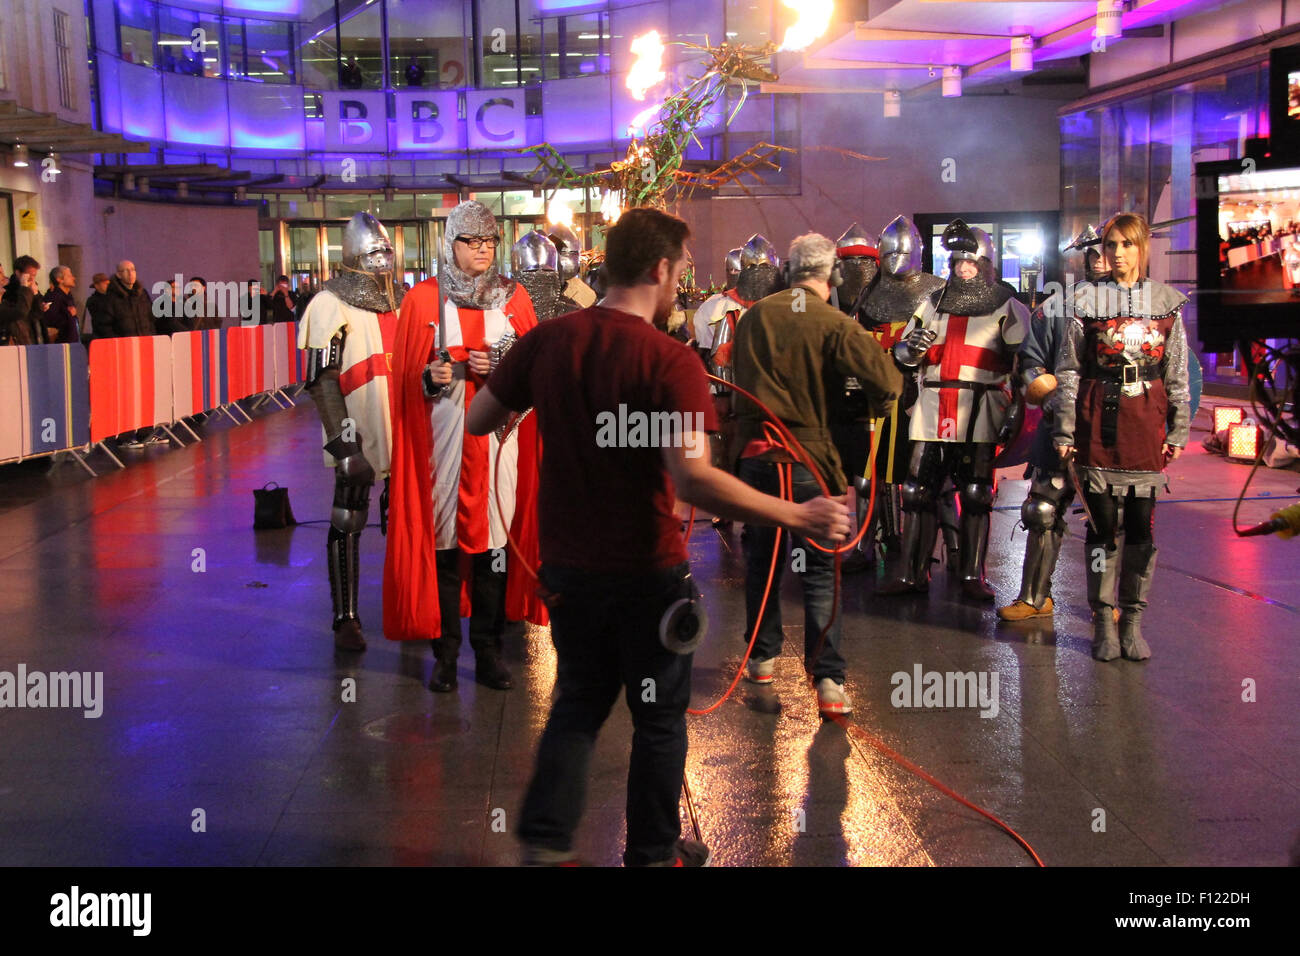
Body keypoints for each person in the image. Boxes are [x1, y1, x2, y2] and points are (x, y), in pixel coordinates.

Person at [463, 207, 852, 867]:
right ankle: (651, 853)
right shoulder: (669, 361)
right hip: (645, 572)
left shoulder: (549, 341)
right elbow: (693, 480)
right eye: (680, 270)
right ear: (661, 268)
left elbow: (478, 418)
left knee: (578, 705)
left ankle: (546, 845)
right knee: (659, 719)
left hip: (567, 568)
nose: (681, 283)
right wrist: (799, 517)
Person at [732, 233, 903, 716]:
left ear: (788, 270)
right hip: (811, 462)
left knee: (762, 564)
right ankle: (828, 681)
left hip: (757, 461)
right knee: (821, 570)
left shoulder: (753, 317)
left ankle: (761, 660)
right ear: (832, 274)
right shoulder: (835, 322)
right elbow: (887, 385)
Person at [384, 200, 545, 693]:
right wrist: (429, 379)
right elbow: (406, 383)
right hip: (444, 437)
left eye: (488, 241)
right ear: (450, 244)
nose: (481, 250)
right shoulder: (422, 301)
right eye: (470, 241)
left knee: (495, 544)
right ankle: (447, 653)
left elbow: (537, 369)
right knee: (448, 545)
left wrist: (498, 364)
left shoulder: (514, 299)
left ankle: (490, 649)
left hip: (501, 438)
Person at [1053, 212, 1190, 662]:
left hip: (1145, 423)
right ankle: (1103, 620)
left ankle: (1132, 619)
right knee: (1102, 528)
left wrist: (1179, 428)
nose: (1117, 253)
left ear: (1141, 248)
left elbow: (1178, 374)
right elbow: (1069, 370)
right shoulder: (1084, 302)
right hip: (1098, 420)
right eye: (1111, 245)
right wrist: (1065, 428)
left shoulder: (1166, 302)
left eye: (1126, 244)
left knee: (1141, 529)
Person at [880, 219, 1028, 601]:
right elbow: (903, 355)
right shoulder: (933, 302)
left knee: (977, 493)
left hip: (980, 408)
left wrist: (1018, 412)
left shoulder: (1007, 305)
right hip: (932, 406)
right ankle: (913, 574)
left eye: (971, 262)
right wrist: (911, 348)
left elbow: (1026, 363)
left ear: (985, 264)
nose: (963, 268)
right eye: (958, 261)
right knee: (915, 491)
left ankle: (970, 577)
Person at [298, 213, 404, 652]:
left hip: (402, 429)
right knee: (349, 519)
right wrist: (345, 447)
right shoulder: (328, 303)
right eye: (373, 252)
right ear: (354, 255)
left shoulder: (401, 301)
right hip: (357, 429)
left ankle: (409, 610)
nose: (381, 260)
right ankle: (346, 618)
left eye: (386, 251)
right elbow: (322, 381)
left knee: (406, 523)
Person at [998, 223, 1106, 621]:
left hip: (1114, 423)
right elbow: (1029, 361)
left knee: (1107, 512)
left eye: (1107, 251)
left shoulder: (1140, 305)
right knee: (1042, 508)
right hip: (1060, 416)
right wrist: (1044, 391)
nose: (1100, 260)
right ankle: (1035, 596)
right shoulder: (1058, 307)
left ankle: (1105, 604)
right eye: (1093, 253)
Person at [850, 216, 945, 569]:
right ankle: (868, 545)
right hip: (877, 391)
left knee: (920, 483)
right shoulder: (870, 290)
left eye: (900, 252)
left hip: (921, 394)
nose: (894, 259)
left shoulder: (938, 290)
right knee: (867, 479)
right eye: (887, 252)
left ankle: (930, 553)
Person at [509, 230, 578, 322]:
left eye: (546, 271)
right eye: (531, 271)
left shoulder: (570, 313)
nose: (539, 274)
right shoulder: (507, 312)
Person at [2, 256, 52, 345]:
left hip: (35, 335)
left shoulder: (31, 286)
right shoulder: (9, 291)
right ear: (18, 273)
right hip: (21, 337)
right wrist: (25, 289)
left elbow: (37, 314)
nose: (32, 278)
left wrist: (37, 297)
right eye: (29, 275)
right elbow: (21, 312)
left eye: (34, 275)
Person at [43, 267, 80, 344]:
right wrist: (69, 315)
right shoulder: (53, 296)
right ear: (59, 279)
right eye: (69, 276)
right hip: (62, 345)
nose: (74, 278)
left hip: (73, 342)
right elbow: (49, 319)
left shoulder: (68, 296)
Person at [86, 273, 114, 340]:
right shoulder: (93, 301)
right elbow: (101, 318)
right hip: (101, 336)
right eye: (105, 284)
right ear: (97, 286)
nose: (108, 285)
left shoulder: (112, 297)